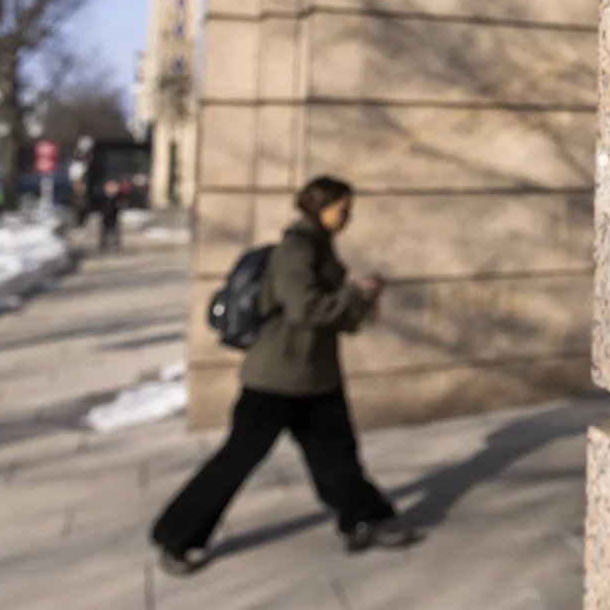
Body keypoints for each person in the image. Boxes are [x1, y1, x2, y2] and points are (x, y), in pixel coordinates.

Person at [150, 176, 417, 576]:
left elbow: (329, 314)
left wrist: (359, 300)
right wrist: (353, 294)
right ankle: (177, 536)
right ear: (320, 206)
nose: (348, 216)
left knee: (337, 457)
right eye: (342, 208)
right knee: (238, 458)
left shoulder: (319, 246)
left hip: (314, 375)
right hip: (276, 379)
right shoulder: (297, 249)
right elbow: (304, 308)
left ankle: (365, 519)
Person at [99, 180, 123, 251]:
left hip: (113, 216)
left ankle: (116, 244)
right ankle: (103, 244)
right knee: (105, 231)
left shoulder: (117, 197)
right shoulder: (103, 196)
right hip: (105, 216)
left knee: (115, 230)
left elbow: (119, 206)